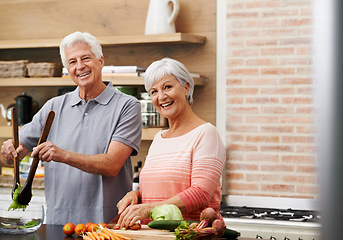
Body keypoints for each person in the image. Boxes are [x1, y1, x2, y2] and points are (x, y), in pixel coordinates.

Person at [0, 32, 142, 224]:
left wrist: (62, 155)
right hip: (60, 222)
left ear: (100, 61)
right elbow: (13, 157)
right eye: (72, 62)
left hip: (107, 224)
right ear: (67, 68)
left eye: (85, 58)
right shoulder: (53, 107)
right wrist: (9, 151)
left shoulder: (127, 106)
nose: (80, 66)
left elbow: (112, 165)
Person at [116, 57, 226, 228]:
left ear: (186, 88)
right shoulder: (159, 139)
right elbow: (161, 189)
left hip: (188, 234)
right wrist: (136, 195)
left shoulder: (206, 133)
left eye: (167, 87)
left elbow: (201, 193)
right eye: (154, 91)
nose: (161, 96)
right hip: (153, 235)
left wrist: (148, 208)